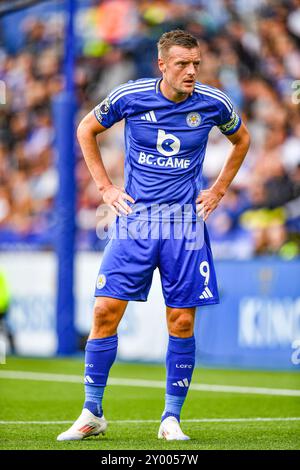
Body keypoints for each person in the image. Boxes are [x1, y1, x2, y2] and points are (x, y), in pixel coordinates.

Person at [57, 30, 250, 442]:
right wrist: (106, 188)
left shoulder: (214, 103)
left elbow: (242, 140)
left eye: (196, 63)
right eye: (182, 64)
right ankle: (92, 411)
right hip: (136, 222)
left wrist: (218, 190)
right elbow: (85, 129)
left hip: (185, 227)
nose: (191, 71)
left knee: (181, 320)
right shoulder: (131, 95)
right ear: (162, 65)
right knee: (105, 312)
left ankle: (170, 418)